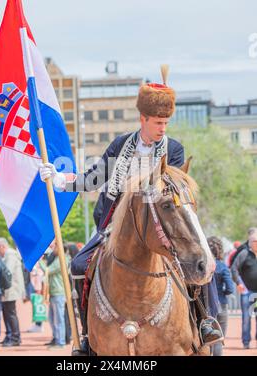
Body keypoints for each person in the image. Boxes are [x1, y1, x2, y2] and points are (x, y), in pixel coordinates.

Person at [39, 66, 221, 352]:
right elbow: (94, 178)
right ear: (143, 119)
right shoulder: (121, 144)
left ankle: (204, 321)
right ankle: (88, 336)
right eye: (158, 122)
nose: (162, 128)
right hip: (116, 224)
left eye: (166, 123)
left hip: (163, 223)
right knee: (77, 266)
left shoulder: (173, 149)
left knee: (198, 260)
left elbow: (171, 185)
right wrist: (60, 179)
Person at [0, 238, 26, 347]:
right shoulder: (7, 256)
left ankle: (15, 337)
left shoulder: (10, 255)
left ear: (2, 246)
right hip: (7, 289)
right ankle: (9, 335)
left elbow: (6, 272)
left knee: (11, 314)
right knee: (6, 313)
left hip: (11, 289)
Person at [207, 237, 234, 356]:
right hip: (221, 304)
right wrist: (222, 293)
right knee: (219, 339)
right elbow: (230, 288)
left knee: (206, 340)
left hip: (206, 307)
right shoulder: (223, 267)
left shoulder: (204, 266)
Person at [231, 230, 257, 349]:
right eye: (255, 241)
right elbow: (234, 269)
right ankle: (246, 342)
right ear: (250, 242)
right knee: (246, 318)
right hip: (247, 292)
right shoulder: (244, 254)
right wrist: (239, 283)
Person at [39, 243, 68, 349]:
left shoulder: (62, 259)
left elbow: (48, 271)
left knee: (58, 319)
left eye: (55, 246)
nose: (53, 249)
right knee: (52, 318)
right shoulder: (58, 258)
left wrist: (39, 261)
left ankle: (61, 342)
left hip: (58, 293)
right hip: (54, 292)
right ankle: (56, 339)